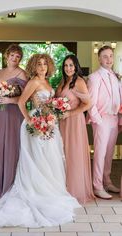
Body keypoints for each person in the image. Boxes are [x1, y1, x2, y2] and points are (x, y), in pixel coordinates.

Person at [0, 53, 80, 227]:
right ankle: (36, 192)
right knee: (37, 160)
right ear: (34, 67)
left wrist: (53, 113)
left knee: (49, 159)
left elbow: (48, 102)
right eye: (39, 64)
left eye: (45, 64)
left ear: (49, 66)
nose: (42, 67)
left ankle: (49, 191)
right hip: (36, 124)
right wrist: (31, 120)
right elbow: (22, 102)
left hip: (49, 123)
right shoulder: (34, 82)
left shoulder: (48, 82)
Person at [56, 54, 95, 204]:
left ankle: (75, 190)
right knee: (63, 153)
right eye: (66, 65)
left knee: (73, 153)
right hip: (63, 122)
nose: (68, 68)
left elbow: (87, 104)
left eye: (71, 65)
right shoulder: (63, 81)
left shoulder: (79, 82)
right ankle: (63, 187)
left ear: (76, 66)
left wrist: (70, 113)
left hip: (74, 121)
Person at [87, 45, 121, 199]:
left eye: (111, 56)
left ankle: (107, 181)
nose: (109, 59)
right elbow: (90, 103)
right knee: (100, 154)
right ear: (99, 59)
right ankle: (97, 185)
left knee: (109, 153)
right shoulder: (95, 77)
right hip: (102, 119)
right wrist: (98, 120)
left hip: (114, 118)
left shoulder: (115, 76)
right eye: (105, 56)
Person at [0, 44, 27, 199]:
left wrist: (10, 99)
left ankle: (11, 185)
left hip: (13, 113)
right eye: (12, 55)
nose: (14, 58)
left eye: (18, 56)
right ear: (6, 56)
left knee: (12, 146)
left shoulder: (21, 73)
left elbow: (27, 97)